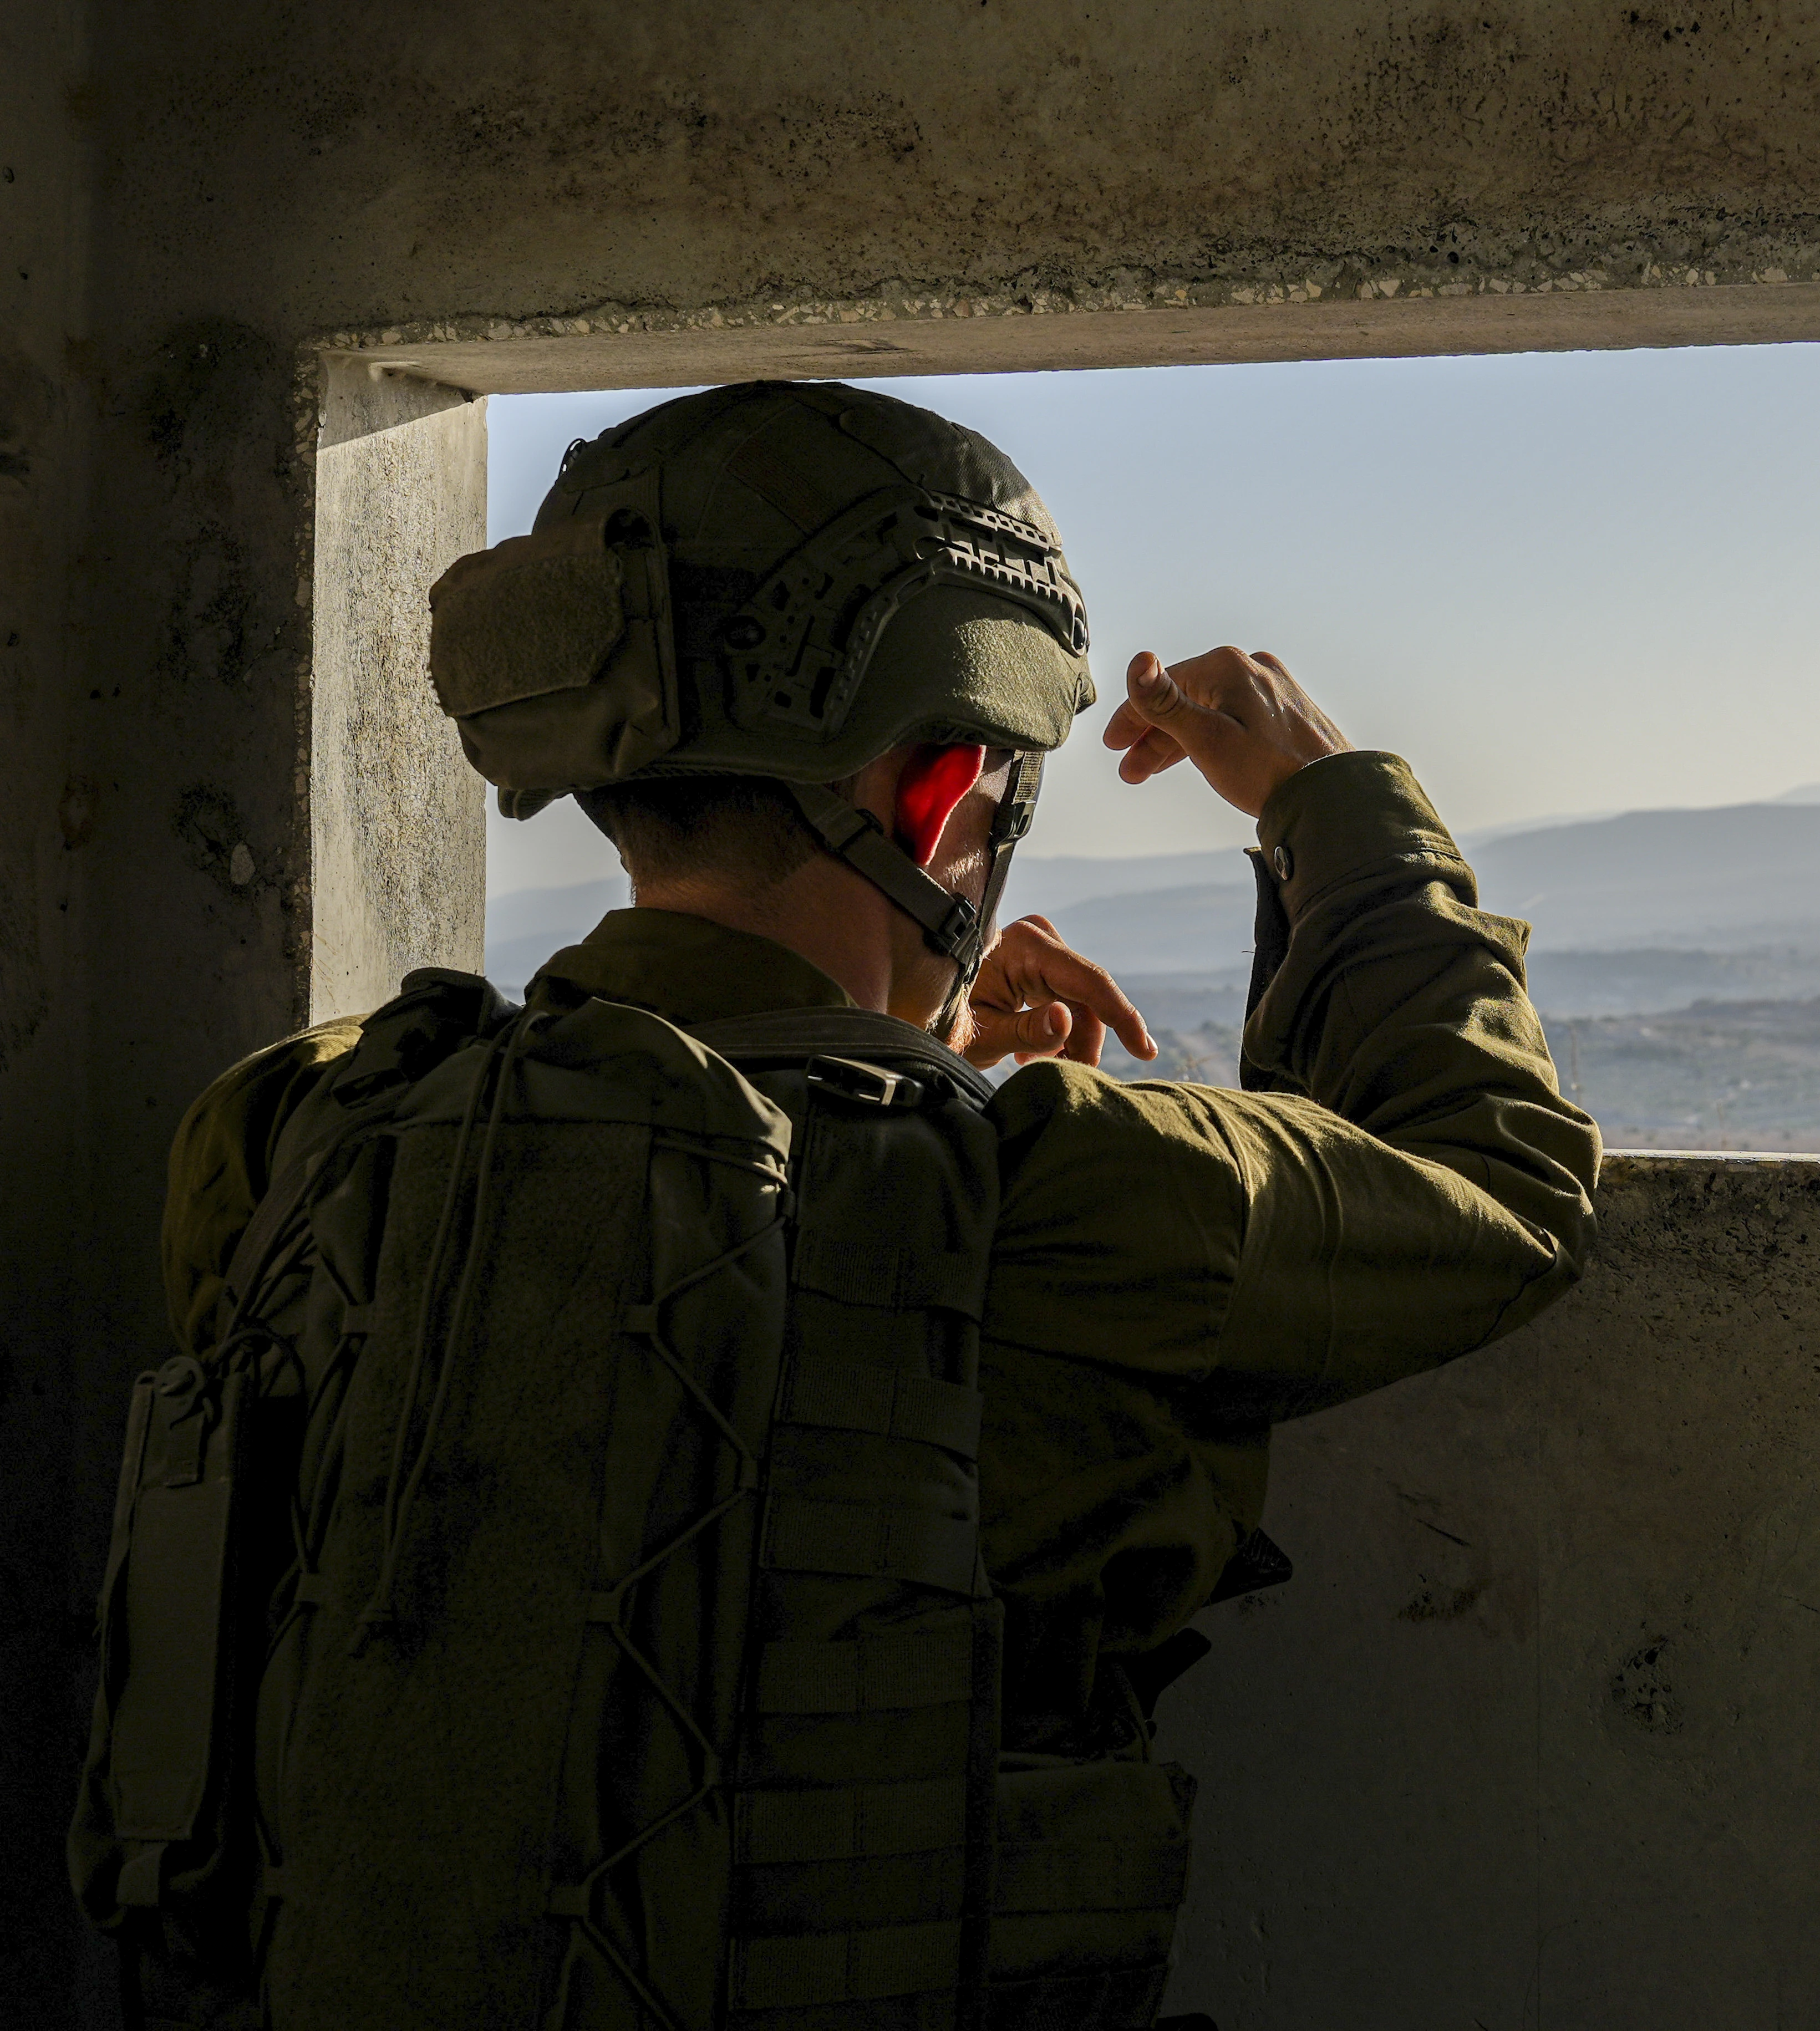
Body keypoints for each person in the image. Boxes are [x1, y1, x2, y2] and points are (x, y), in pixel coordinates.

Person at [71, 380, 1598, 2029]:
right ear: (944, 798)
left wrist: (905, 1035)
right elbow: (1502, 1183)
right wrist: (1334, 801)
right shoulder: (1071, 1201)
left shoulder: (298, 1128)